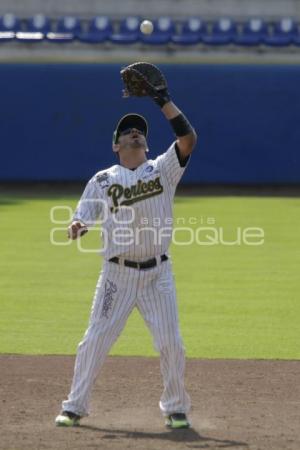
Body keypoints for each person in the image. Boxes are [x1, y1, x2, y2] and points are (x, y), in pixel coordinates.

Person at [55, 67, 197, 430]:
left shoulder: (163, 170)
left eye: (139, 131)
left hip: (157, 275)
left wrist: (162, 101)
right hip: (116, 277)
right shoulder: (102, 180)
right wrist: (77, 224)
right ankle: (74, 406)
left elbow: (187, 139)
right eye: (126, 131)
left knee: (171, 343)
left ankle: (176, 408)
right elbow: (83, 215)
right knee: (95, 341)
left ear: (146, 145)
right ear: (116, 145)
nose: (134, 132)